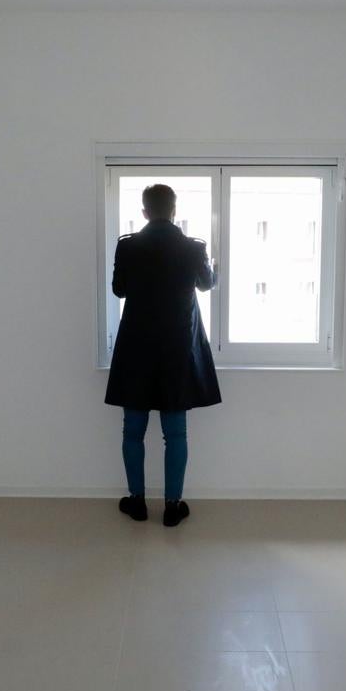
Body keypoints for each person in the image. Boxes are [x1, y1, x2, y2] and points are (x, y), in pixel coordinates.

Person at [105, 183, 220, 527]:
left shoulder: (128, 247)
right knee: (177, 433)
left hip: (136, 346)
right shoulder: (191, 247)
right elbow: (206, 284)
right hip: (177, 348)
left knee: (132, 430)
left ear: (144, 212)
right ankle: (172, 507)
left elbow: (118, 289)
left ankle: (137, 503)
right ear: (174, 210)